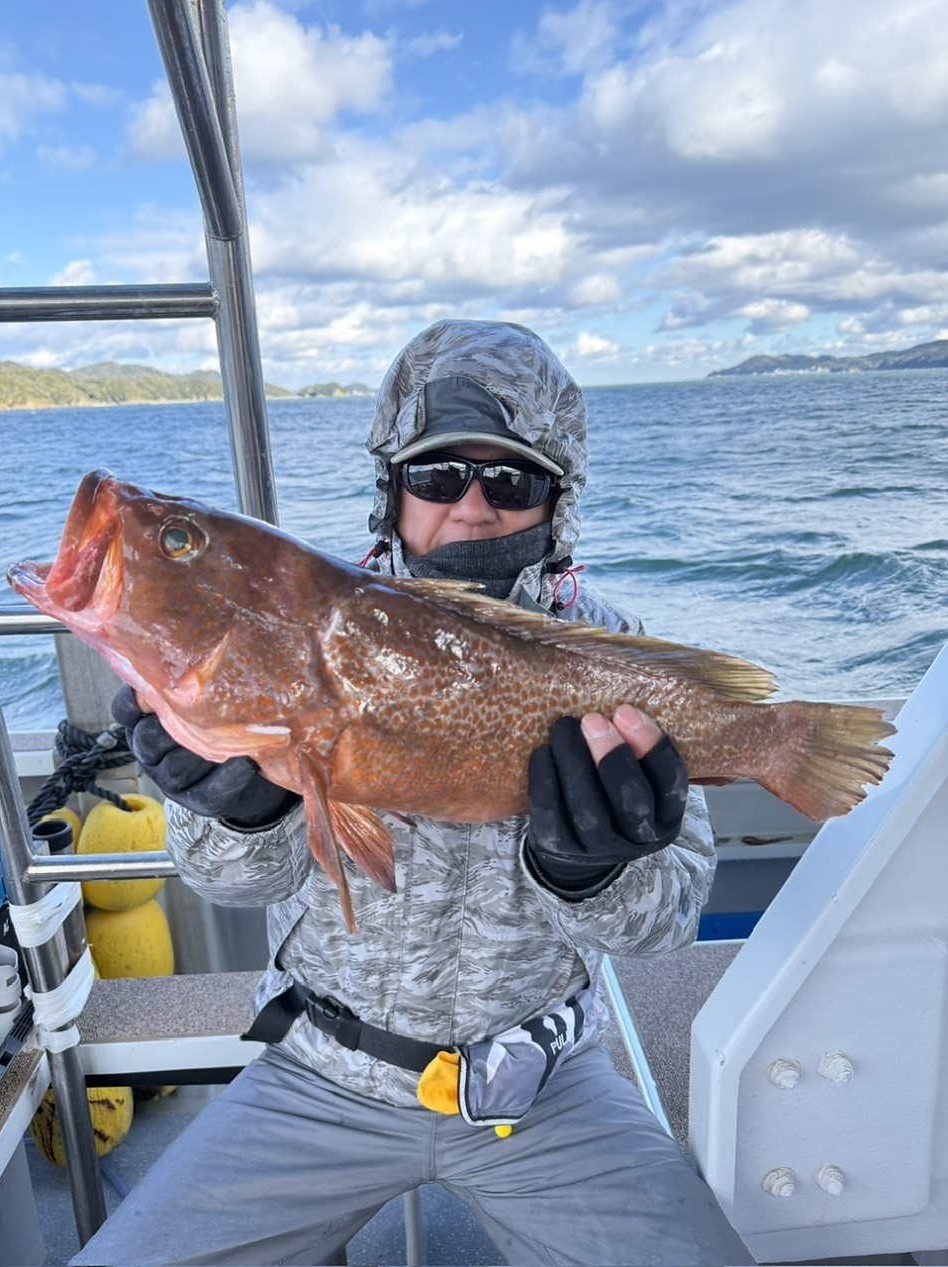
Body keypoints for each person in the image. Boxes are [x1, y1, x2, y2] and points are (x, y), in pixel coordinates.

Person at [72, 319, 753, 1267]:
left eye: (510, 482)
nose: (469, 509)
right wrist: (244, 813)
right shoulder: (297, 621)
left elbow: (666, 921)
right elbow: (233, 883)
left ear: (558, 499)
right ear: (391, 487)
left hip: (544, 1085)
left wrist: (593, 872)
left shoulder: (616, 659)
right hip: (318, 1075)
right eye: (437, 476)